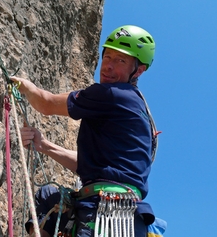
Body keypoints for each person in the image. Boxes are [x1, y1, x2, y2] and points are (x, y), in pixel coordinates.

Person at [11, 25, 159, 237]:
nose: (108, 66)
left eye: (121, 60)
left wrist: (26, 87)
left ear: (139, 70)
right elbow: (93, 166)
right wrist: (44, 146)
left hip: (105, 214)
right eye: (107, 57)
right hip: (125, 217)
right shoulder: (139, 108)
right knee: (49, 196)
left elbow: (46, 104)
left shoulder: (111, 94)